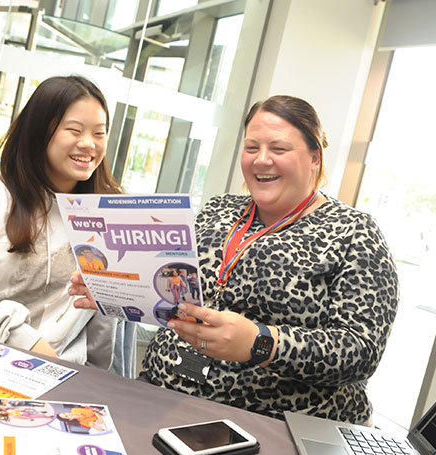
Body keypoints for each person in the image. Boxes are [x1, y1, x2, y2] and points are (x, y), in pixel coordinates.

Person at [70, 95, 399, 424]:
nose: (261, 160)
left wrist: (261, 343)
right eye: (252, 148)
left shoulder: (355, 234)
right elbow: (171, 289)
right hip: (162, 395)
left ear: (315, 157)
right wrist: (114, 285)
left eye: (279, 149)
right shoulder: (218, 210)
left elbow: (360, 350)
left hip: (270, 424)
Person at [0, 75, 129, 371]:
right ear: (40, 132)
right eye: (74, 130)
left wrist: (96, 382)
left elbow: (102, 326)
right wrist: (30, 345)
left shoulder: (106, 217)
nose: (88, 144)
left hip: (65, 377)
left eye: (99, 133)